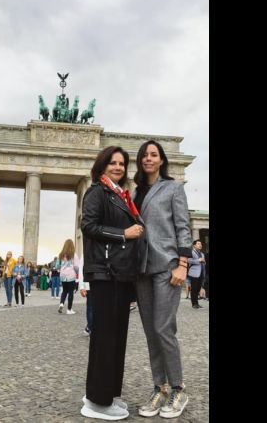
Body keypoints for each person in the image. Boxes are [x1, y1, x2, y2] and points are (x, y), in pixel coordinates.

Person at [79, 146, 144, 421]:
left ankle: (106, 395)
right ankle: (96, 402)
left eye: (122, 163)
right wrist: (124, 234)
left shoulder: (119, 195)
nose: (118, 167)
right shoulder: (97, 192)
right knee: (106, 338)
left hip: (118, 273)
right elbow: (88, 226)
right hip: (106, 272)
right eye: (112, 163)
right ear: (102, 165)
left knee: (115, 338)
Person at [133, 140, 193, 419]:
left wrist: (183, 264)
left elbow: (183, 226)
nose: (149, 158)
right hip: (142, 270)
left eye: (154, 154)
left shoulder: (173, 188)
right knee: (150, 332)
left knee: (163, 328)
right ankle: (160, 387)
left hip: (167, 266)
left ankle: (179, 388)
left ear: (162, 160)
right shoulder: (135, 193)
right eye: (145, 155)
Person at [57, 239, 80, 314]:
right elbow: (76, 267)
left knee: (64, 291)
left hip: (63, 276)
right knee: (71, 292)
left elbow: (57, 266)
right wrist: (78, 275)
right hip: (71, 276)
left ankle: (61, 304)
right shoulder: (74, 255)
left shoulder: (61, 255)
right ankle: (69, 309)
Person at [188, 239, 205, 309]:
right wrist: (199, 260)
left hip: (201, 273)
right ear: (194, 245)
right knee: (194, 289)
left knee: (198, 289)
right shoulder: (191, 252)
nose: (200, 245)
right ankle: (194, 304)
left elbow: (203, 262)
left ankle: (197, 303)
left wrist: (203, 262)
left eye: (200, 244)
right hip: (194, 273)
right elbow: (188, 260)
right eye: (198, 244)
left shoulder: (202, 254)